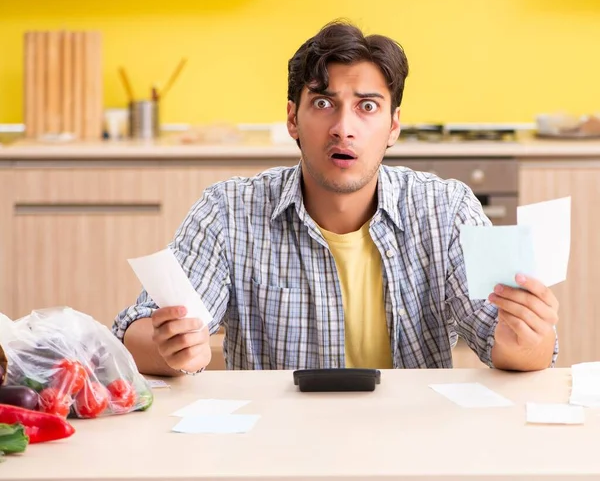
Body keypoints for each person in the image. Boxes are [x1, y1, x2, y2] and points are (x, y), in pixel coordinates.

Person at [112, 20, 559, 377]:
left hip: (413, 445)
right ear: (293, 118)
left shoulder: (446, 210)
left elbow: (502, 343)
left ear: (394, 126)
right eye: (324, 103)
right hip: (274, 447)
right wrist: (169, 346)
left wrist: (529, 337)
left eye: (367, 106)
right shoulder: (228, 213)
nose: (344, 127)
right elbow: (138, 332)